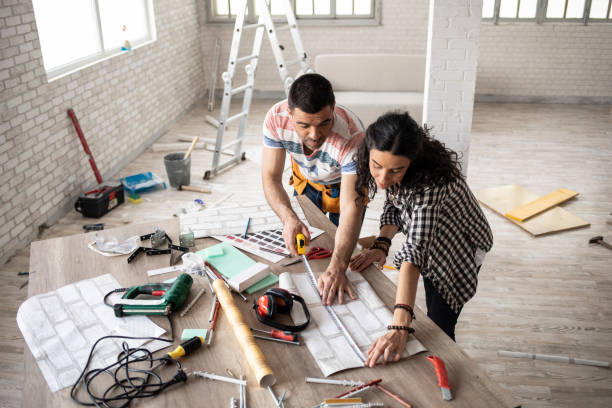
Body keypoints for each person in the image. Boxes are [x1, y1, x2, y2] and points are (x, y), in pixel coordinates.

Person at [348, 111, 493, 367]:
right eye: (376, 166)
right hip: (432, 242)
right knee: (429, 292)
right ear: (369, 152)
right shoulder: (395, 170)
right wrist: (382, 244)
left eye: (395, 171)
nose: (382, 180)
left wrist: (399, 325)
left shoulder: (431, 185)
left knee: (440, 324)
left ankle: (447, 371)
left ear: (412, 162)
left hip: (461, 245)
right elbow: (394, 206)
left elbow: (415, 252)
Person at [262, 73, 366, 305]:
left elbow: (351, 207)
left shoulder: (354, 136)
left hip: (344, 186)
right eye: (304, 125)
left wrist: (339, 266)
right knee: (307, 248)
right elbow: (270, 177)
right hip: (306, 179)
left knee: (341, 255)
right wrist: (288, 218)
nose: (315, 135)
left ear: (333, 110)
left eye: (324, 123)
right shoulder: (276, 118)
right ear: (290, 114)